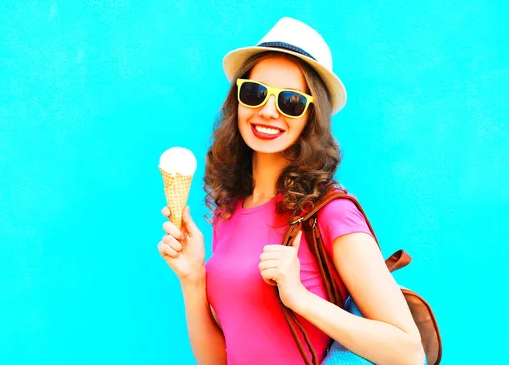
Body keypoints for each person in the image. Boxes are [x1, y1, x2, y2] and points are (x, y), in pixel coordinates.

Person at [157, 17, 425, 365]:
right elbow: (219, 360)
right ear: (238, 100)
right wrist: (193, 279)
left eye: (291, 102)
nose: (268, 111)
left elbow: (409, 353)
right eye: (254, 93)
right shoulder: (229, 210)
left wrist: (299, 297)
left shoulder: (330, 212)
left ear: (311, 117)